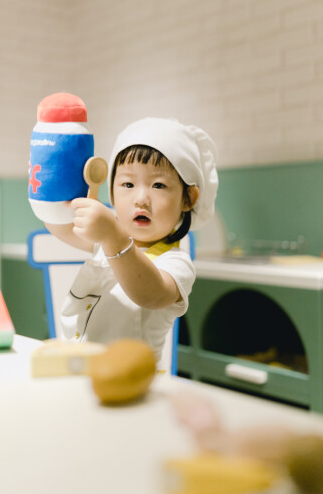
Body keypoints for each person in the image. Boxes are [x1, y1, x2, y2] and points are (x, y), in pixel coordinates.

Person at [45, 117, 218, 363]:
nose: (141, 198)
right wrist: (48, 181)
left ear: (188, 199)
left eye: (158, 185)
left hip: (134, 385)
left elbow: (149, 294)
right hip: (81, 371)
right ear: (112, 193)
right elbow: (58, 225)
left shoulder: (176, 263)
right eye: (128, 183)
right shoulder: (106, 242)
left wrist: (113, 236)